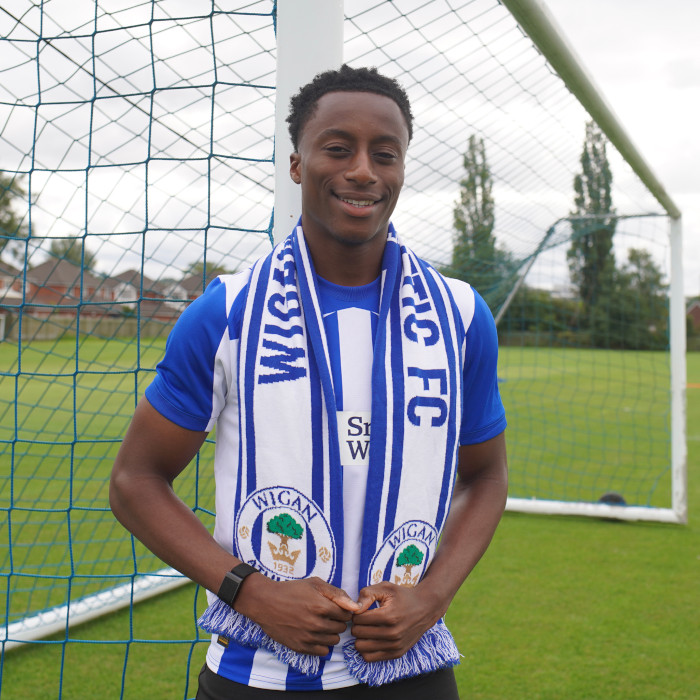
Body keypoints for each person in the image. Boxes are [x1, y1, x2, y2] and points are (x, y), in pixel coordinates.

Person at [110, 64, 508, 699]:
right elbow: (135, 481)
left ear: (402, 170)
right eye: (338, 148)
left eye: (385, 154)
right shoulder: (227, 311)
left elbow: (486, 476)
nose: (363, 171)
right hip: (259, 672)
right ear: (297, 165)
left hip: (411, 665)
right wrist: (250, 591)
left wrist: (431, 597)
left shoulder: (460, 315)